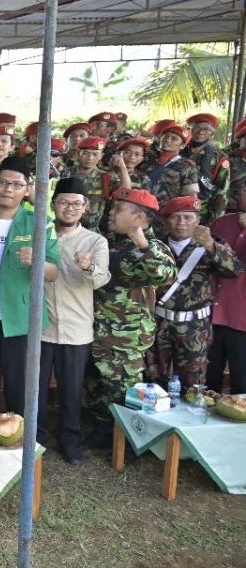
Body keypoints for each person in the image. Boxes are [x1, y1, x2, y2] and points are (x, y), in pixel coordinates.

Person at [0, 157, 60, 416]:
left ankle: (20, 446)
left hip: (20, 318)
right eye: (3, 182)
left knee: (20, 386)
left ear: (27, 189)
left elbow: (53, 272)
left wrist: (37, 262)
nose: (8, 189)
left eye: (17, 184)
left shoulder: (40, 222)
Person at [89, 188, 176, 448]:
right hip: (97, 332)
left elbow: (165, 274)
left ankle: (127, 444)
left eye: (118, 210)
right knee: (98, 389)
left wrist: (144, 244)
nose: (111, 213)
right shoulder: (107, 242)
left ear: (139, 217)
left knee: (123, 393)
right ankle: (102, 436)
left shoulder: (152, 247)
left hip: (125, 340)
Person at [40, 179, 110, 464]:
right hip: (41, 329)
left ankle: (69, 440)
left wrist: (88, 266)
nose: (70, 208)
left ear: (86, 208)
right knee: (37, 389)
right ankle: (38, 439)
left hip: (76, 330)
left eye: (76, 204)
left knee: (70, 391)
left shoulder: (95, 241)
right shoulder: (40, 235)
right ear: (54, 204)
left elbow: (101, 278)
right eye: (64, 202)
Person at [149, 196, 242, 388]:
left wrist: (210, 245)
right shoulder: (155, 246)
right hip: (159, 323)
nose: (182, 223)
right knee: (153, 378)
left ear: (198, 221)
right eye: (175, 217)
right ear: (166, 221)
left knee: (193, 383)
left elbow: (234, 270)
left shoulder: (211, 244)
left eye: (188, 217)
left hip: (195, 326)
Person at [209, 182, 246, 393]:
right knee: (206, 387)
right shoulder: (222, 223)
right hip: (211, 315)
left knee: (241, 389)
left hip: (241, 319)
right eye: (243, 191)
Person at [183, 113, 231, 224]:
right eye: (197, 128)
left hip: (201, 216)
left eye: (206, 129)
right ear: (189, 130)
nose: (201, 132)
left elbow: (221, 193)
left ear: (212, 133)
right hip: (173, 212)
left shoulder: (219, 159)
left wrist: (213, 223)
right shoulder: (177, 151)